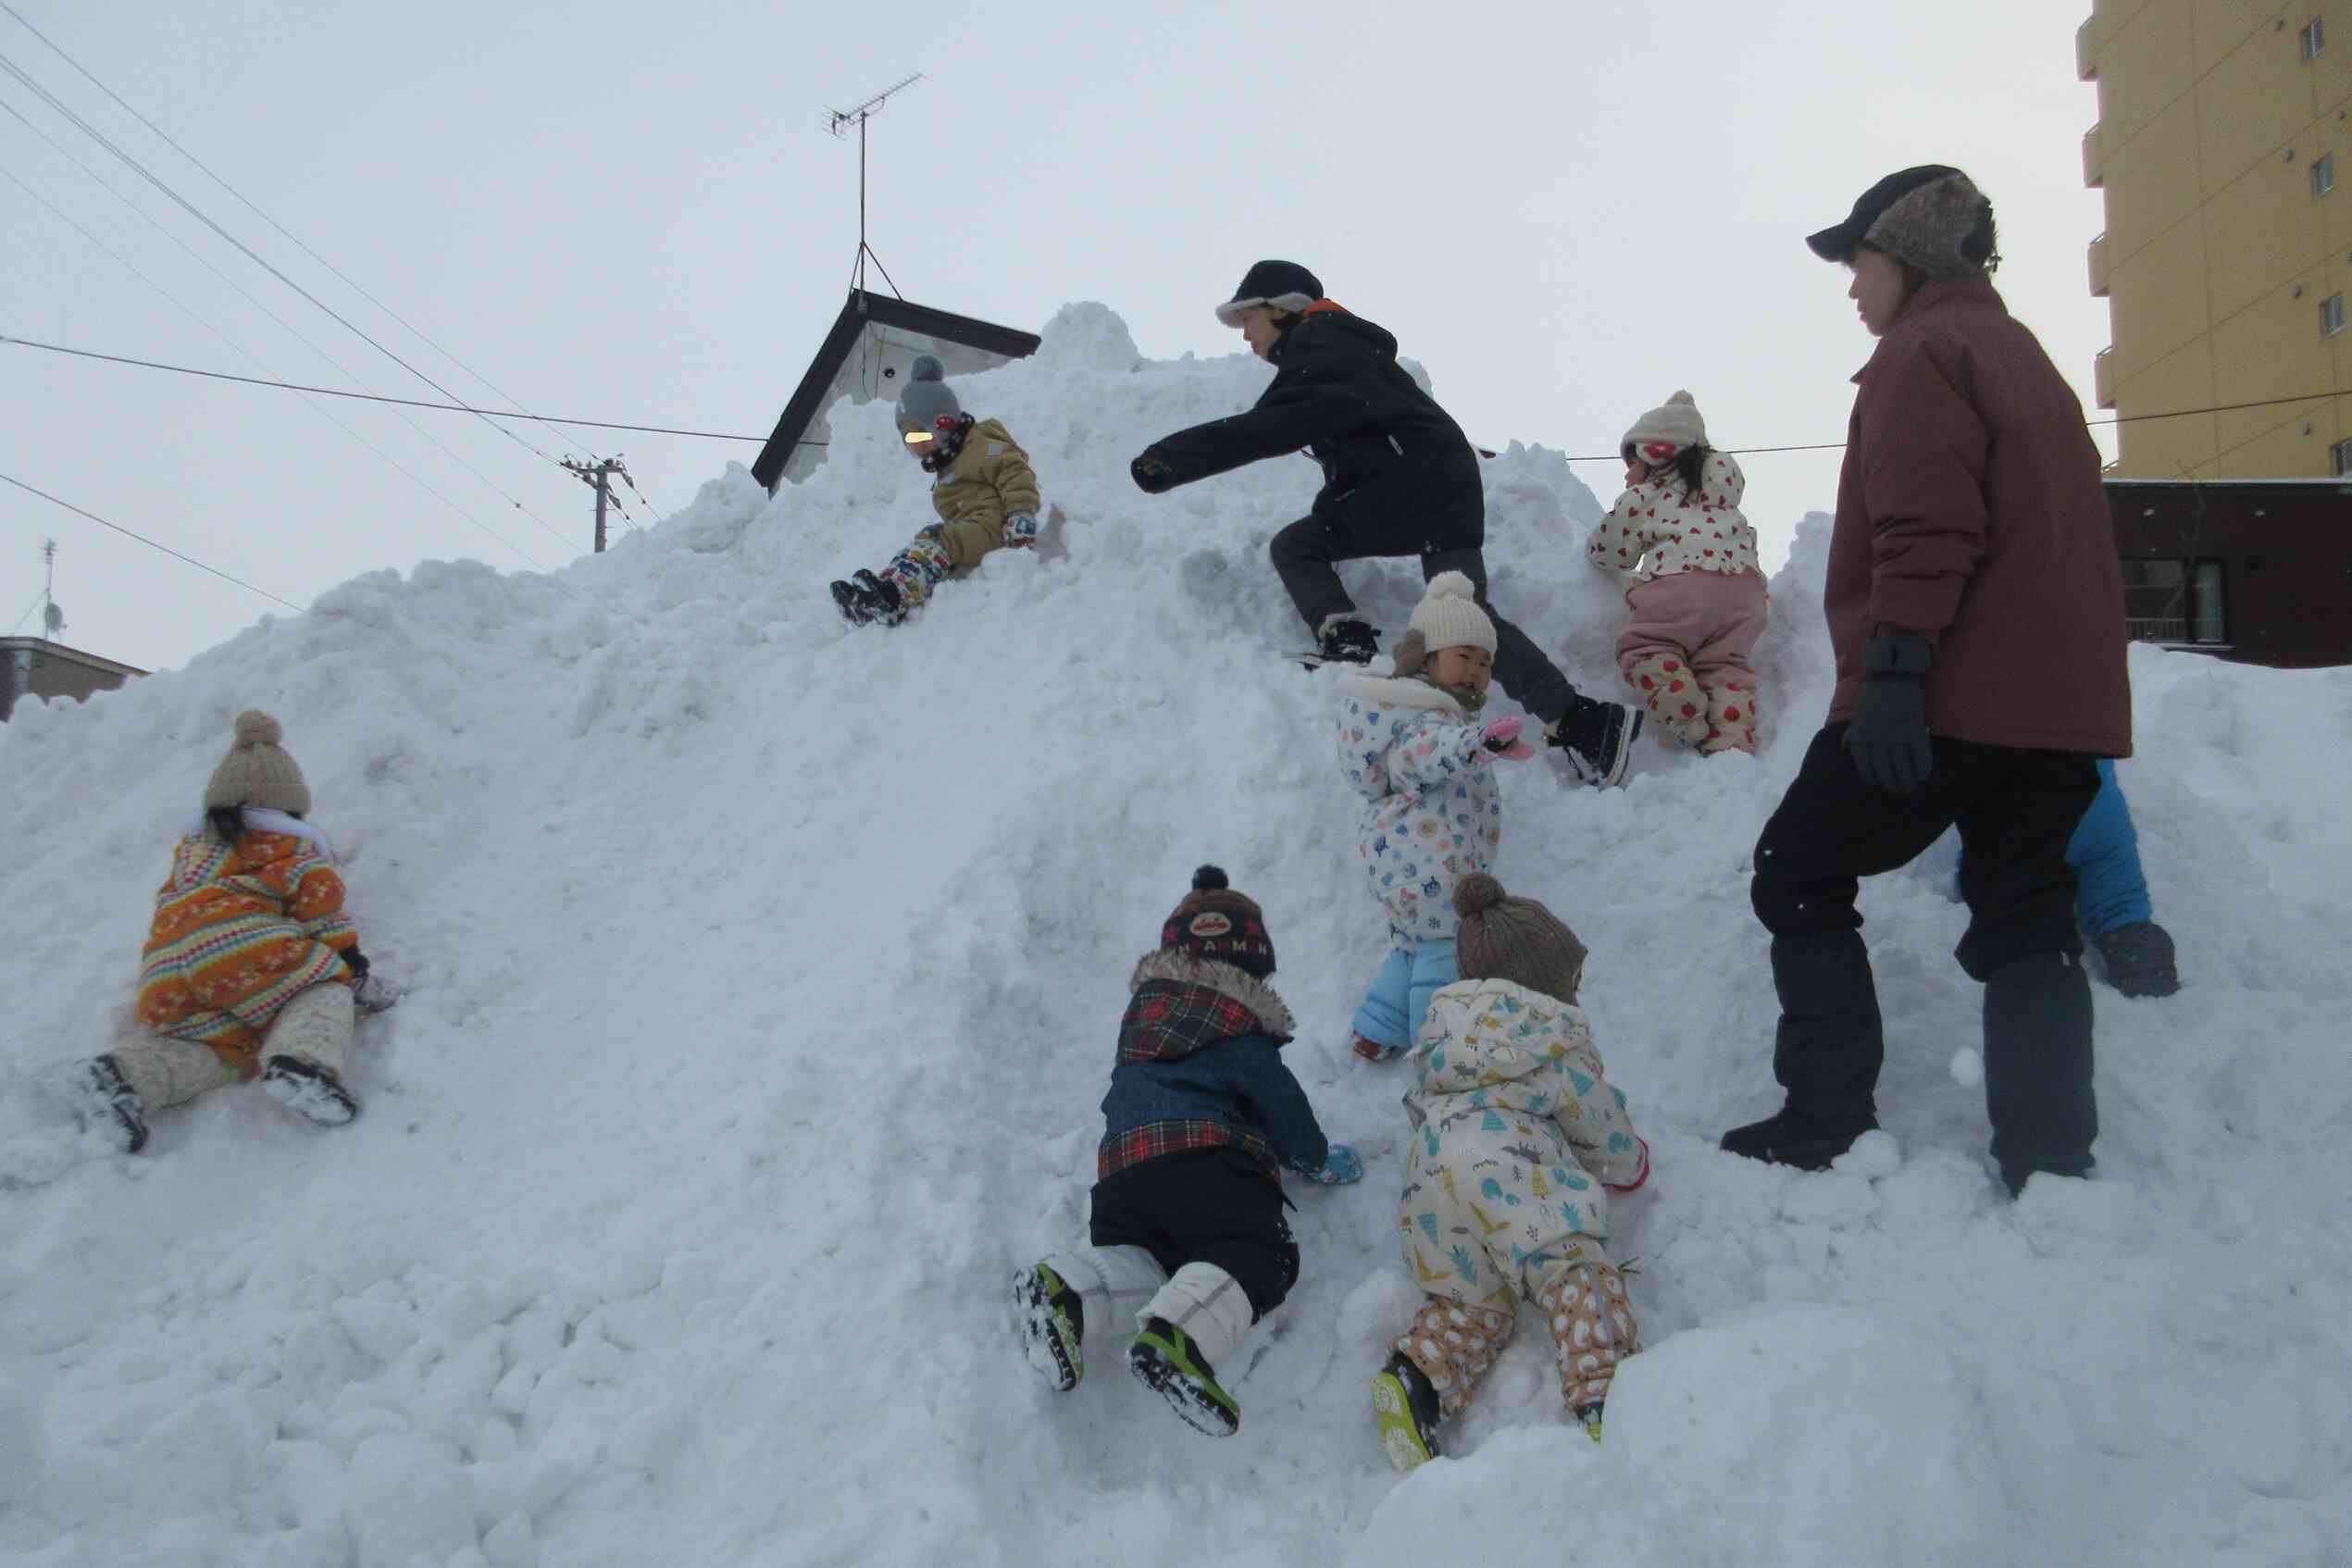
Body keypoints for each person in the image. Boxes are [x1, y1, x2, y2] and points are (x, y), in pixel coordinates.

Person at [1720, 167, 2132, 1198]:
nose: (1852, 286)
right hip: (2055, 708)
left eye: (1858, 261)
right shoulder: (2021, 356)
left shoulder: (1921, 353)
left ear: (1907, 254)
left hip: (1947, 689)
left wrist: (1896, 676)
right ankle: (2049, 1158)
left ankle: (1826, 1115)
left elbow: (1927, 528)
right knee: (2027, 908)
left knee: (1796, 868)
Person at [1128, 260, 1641, 787]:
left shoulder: (1319, 347)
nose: (1245, 336)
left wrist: (1170, 459)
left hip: (1410, 484)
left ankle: (1349, 644)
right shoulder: (1339, 348)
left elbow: (1266, 428)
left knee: (1298, 546)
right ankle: (1582, 720)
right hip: (1444, 483)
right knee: (1464, 613)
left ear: (1281, 309)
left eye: (1248, 320)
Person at [1012, 866, 1362, 1438]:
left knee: (1145, 1265)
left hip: (1122, 1178)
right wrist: (1314, 1157)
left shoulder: (1142, 1024)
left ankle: (1067, 1293)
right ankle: (1180, 1338)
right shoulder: (1238, 1028)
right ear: (1248, 970)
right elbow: (1282, 1106)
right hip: (1208, 1168)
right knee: (1256, 1253)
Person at [1371, 873, 1650, 1470]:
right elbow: (1604, 1136)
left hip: (1432, 1175)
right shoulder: (1552, 1038)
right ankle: (1607, 1395)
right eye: (1572, 976)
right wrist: (1631, 1162)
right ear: (1545, 980)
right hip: (1506, 1170)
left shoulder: (1445, 1034)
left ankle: (1416, 1378)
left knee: (1472, 1306)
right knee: (1572, 1269)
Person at [69, 710, 397, 1152]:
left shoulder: (192, 855)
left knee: (224, 1049)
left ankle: (121, 1077)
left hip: (168, 972)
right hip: (245, 950)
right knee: (325, 988)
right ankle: (303, 1064)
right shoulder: (292, 850)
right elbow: (324, 916)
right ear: (290, 809)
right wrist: (352, 970)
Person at [1332, 573, 1534, 1064]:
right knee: (1445, 950)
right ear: (1427, 657)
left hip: (1411, 863)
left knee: (1413, 947)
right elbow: (1424, 752)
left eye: (1485, 662)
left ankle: (1376, 1030)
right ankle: (1441, 1048)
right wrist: (1474, 743)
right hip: (1428, 864)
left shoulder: (1428, 713)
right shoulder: (1426, 717)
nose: (1475, 671)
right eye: (1463, 655)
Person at [1585, 390, 1768, 753]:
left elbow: (1607, 550)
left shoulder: (1648, 494)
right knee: (1725, 667)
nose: (1627, 474)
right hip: (1745, 595)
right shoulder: (1725, 501)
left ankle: (1684, 712)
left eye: (1631, 464)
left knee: (1645, 647)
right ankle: (1732, 742)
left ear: (1653, 456)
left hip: (1683, 587)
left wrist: (1599, 547)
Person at [829, 355, 1043, 627]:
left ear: (943, 423)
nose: (917, 446)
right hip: (973, 527)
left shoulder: (979, 446)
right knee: (926, 539)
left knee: (942, 540)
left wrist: (1020, 514)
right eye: (910, 439)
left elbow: (1013, 470)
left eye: (921, 435)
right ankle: (879, 592)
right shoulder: (950, 460)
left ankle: (893, 597)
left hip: (995, 526)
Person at [1958, 758, 2181, 997]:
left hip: (2023, 802)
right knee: (2118, 898)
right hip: (2094, 799)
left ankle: (2040, 966)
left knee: (2009, 883)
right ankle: (2140, 955)